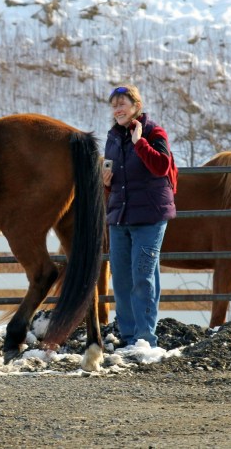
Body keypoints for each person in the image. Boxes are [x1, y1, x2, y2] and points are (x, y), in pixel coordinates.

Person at [102, 84, 176, 348]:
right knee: (121, 279)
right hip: (120, 216)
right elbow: (116, 181)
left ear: (136, 106)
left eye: (122, 104)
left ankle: (146, 340)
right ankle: (129, 337)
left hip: (150, 217)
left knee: (143, 276)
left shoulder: (153, 132)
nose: (117, 110)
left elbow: (161, 166)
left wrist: (140, 143)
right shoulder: (112, 137)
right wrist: (106, 182)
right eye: (114, 105)